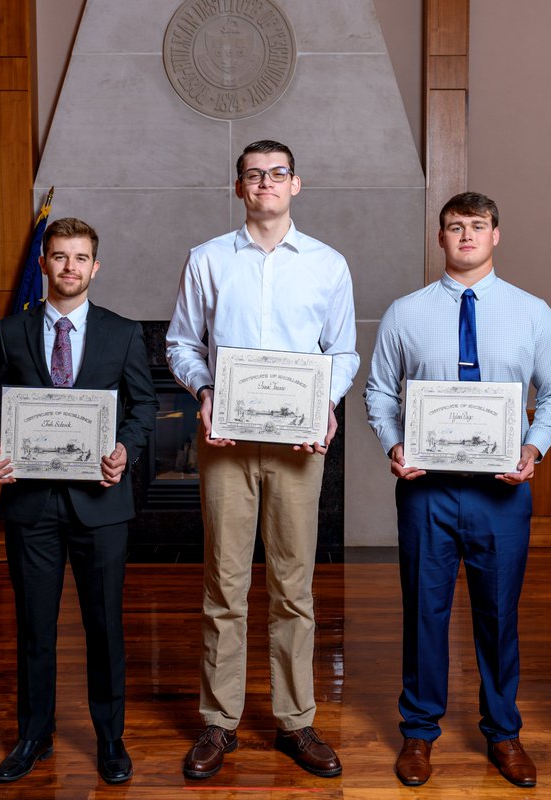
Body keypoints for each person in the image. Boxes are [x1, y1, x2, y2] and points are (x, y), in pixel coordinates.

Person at [365, 191, 551, 789]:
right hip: (426, 489)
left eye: (477, 226)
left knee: (499, 616)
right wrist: (393, 444)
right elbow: (379, 390)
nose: (466, 236)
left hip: (502, 492)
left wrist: (533, 449)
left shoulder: (533, 313)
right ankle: (419, 732)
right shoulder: (406, 312)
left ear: (496, 235)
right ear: (440, 238)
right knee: (424, 613)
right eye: (454, 227)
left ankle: (503, 733)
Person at [166, 139, 358, 780]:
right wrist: (205, 392)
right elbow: (181, 344)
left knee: (293, 588)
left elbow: (345, 353)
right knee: (224, 584)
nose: (266, 183)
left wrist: (324, 403)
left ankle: (296, 720)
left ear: (295, 185)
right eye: (253, 175)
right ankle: (219, 723)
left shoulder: (328, 265)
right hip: (225, 444)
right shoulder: (208, 260)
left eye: (277, 174)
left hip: (300, 446)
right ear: (240, 187)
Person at [0, 217, 157, 784]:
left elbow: (143, 407)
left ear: (94, 267)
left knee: (105, 624)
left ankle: (110, 739)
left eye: (80, 258)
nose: (69, 268)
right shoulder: (11, 331)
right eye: (59, 257)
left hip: (101, 504)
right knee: (35, 627)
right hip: (30, 504)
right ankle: (34, 735)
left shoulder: (123, 332)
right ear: (44, 264)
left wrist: (125, 451)